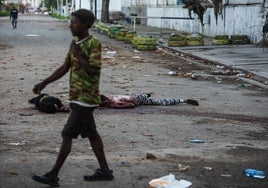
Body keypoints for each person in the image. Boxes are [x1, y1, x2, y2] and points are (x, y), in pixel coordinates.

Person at [32, 9, 114, 187]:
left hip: (85, 97)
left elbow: (94, 70)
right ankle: (105, 171)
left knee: (67, 133)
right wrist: (44, 82)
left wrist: (77, 54)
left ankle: (52, 176)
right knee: (92, 133)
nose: (71, 25)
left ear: (86, 25)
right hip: (77, 96)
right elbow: (65, 67)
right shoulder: (75, 42)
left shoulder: (94, 44)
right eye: (71, 22)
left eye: (75, 22)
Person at [100, 93, 199, 108]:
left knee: (161, 102)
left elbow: (131, 105)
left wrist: (114, 106)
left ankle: (184, 100)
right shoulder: (110, 96)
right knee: (144, 97)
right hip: (134, 95)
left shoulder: (115, 102)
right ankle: (145, 94)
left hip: (137, 100)